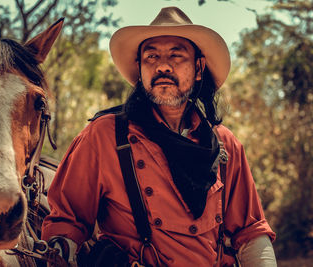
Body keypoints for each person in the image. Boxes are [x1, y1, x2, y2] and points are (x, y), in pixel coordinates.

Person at [42, 6, 277, 267]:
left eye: (176, 56)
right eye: (151, 57)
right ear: (140, 69)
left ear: (198, 68)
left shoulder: (225, 145)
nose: (162, 66)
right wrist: (60, 249)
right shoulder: (104, 135)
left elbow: (251, 232)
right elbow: (67, 222)